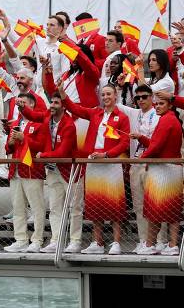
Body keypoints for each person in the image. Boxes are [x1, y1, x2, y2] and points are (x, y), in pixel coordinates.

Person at [63, 85, 130, 255]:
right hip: (93, 163)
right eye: (103, 94)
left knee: (115, 204)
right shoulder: (95, 113)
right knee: (95, 204)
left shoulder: (122, 117)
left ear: (115, 96)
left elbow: (124, 142)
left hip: (111, 164)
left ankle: (116, 243)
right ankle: (97, 242)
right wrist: (62, 93)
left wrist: (107, 154)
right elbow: (73, 108)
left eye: (109, 94)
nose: (106, 97)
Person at [19, 93, 80, 253]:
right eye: (51, 102)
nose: (52, 105)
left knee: (74, 207)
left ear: (64, 106)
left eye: (56, 103)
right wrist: (21, 107)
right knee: (54, 207)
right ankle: (55, 239)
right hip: (53, 170)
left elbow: (63, 151)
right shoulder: (47, 115)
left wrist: (43, 155)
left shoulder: (69, 125)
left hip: (70, 170)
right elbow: (32, 115)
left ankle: (75, 241)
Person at [132, 95, 182, 256]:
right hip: (172, 169)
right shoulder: (171, 119)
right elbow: (157, 144)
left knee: (154, 211)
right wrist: (141, 138)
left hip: (163, 170)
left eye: (161, 103)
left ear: (170, 105)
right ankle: (172, 245)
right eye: (157, 103)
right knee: (172, 211)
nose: (157, 106)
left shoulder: (166, 120)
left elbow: (157, 146)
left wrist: (140, 159)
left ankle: (150, 244)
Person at [116, 84, 161, 252]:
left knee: (155, 204)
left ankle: (159, 241)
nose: (141, 100)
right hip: (136, 162)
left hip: (152, 163)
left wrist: (142, 137)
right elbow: (116, 103)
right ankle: (144, 240)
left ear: (152, 97)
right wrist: (120, 86)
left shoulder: (158, 114)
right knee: (139, 205)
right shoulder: (135, 114)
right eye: (137, 97)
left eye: (144, 97)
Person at [3, 93, 47, 253]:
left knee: (37, 207)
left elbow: (41, 146)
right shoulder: (16, 123)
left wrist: (24, 138)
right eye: (18, 103)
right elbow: (8, 148)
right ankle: (21, 239)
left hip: (32, 170)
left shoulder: (40, 122)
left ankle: (37, 239)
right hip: (15, 170)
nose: (20, 106)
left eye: (23, 103)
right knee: (18, 207)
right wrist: (10, 143)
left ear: (32, 105)